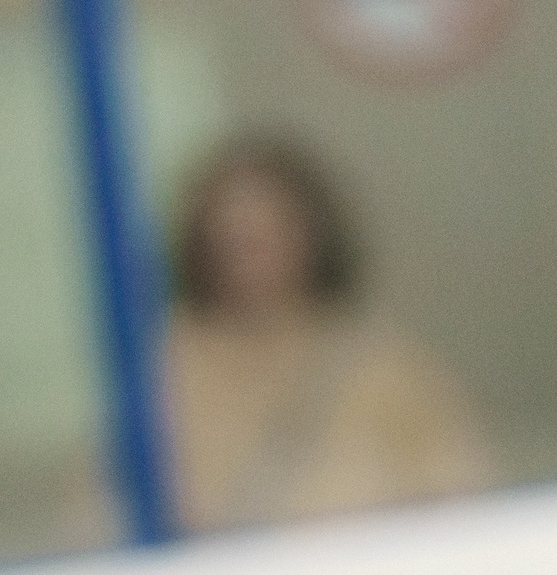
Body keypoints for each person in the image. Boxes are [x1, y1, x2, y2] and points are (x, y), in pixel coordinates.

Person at [163, 134, 494, 533]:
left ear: (311, 237)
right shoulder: (166, 376)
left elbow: (459, 499)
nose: (251, 259)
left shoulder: (381, 370)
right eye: (234, 242)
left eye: (264, 237)